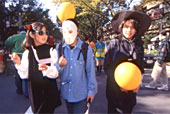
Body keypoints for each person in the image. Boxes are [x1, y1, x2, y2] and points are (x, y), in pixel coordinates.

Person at [104, 10, 151, 113]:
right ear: (121, 27)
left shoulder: (138, 46)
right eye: (126, 26)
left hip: (131, 91)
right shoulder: (114, 44)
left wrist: (138, 83)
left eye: (132, 27)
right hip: (114, 90)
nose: (129, 30)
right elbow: (107, 67)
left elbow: (140, 67)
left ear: (136, 29)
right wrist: (120, 83)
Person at [10, 22, 61, 113]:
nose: (44, 35)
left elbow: (56, 73)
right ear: (32, 35)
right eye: (41, 33)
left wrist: (47, 69)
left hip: (50, 92)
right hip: (35, 92)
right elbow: (25, 75)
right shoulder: (27, 53)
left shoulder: (51, 50)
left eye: (46, 32)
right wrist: (18, 63)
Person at [56, 19, 97, 114]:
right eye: (65, 32)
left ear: (77, 31)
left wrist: (92, 91)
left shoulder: (86, 49)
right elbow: (56, 72)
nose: (68, 35)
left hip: (81, 95)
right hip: (66, 94)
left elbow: (91, 71)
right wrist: (60, 65)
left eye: (70, 31)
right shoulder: (59, 49)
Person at [4, 27, 29, 97]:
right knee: (27, 74)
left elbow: (6, 43)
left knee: (18, 75)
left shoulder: (15, 37)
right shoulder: (30, 36)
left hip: (16, 57)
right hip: (28, 57)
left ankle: (20, 90)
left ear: (18, 32)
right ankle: (27, 92)